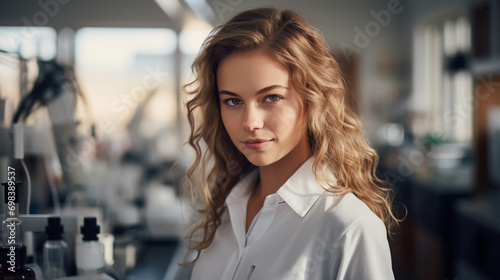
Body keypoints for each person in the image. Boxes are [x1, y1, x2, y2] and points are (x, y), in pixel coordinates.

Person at [182, 7, 399, 280]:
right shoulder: (226, 208)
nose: (250, 122)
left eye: (271, 97)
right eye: (233, 101)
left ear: (312, 98)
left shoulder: (349, 227)